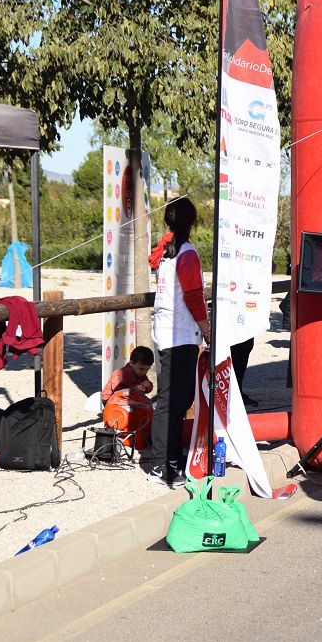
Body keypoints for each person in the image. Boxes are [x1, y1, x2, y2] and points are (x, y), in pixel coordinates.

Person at [146, 197, 211, 487]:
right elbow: (194, 296)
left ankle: (171, 459)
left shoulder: (167, 250)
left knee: (179, 400)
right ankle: (161, 464)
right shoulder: (185, 253)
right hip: (179, 334)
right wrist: (206, 328)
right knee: (171, 402)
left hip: (168, 332)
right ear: (192, 222)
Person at [101, 346, 156, 448]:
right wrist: (135, 388)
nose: (144, 372)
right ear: (131, 363)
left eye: (147, 370)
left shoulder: (140, 374)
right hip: (110, 399)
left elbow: (146, 389)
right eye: (141, 368)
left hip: (128, 398)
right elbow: (118, 390)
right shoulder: (121, 374)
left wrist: (148, 385)